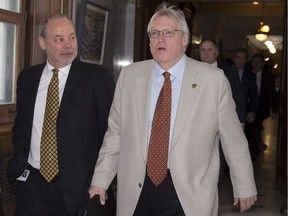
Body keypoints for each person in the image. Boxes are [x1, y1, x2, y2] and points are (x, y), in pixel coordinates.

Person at [89, 2, 257, 216]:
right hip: (137, 189)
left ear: (185, 40)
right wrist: (100, 181)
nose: (160, 39)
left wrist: (244, 185)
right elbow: (115, 134)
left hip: (189, 193)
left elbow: (233, 139)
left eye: (168, 32)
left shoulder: (212, 81)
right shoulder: (130, 76)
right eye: (154, 33)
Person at [7, 14, 115, 216]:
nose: (68, 45)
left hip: (78, 189)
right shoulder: (27, 78)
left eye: (72, 37)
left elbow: (111, 135)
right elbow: (21, 125)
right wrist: (20, 168)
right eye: (59, 39)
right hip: (32, 185)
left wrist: (100, 180)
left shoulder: (97, 78)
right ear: (42, 42)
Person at [199, 39, 246, 186]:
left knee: (217, 160)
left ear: (217, 53)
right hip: (198, 124)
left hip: (221, 123)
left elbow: (238, 96)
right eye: (203, 50)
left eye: (210, 50)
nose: (206, 54)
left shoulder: (228, 71)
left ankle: (214, 193)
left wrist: (241, 121)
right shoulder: (191, 70)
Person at [233, 48, 259, 160]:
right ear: (234, 58)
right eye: (238, 58)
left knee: (241, 140)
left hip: (243, 112)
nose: (241, 61)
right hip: (226, 110)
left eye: (244, 58)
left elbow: (254, 95)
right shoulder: (224, 72)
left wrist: (252, 111)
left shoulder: (250, 76)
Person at [249, 54, 278, 154]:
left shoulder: (268, 76)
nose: (256, 64)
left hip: (261, 108)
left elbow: (273, 94)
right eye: (254, 62)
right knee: (249, 131)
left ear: (262, 64)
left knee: (256, 130)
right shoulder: (247, 74)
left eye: (259, 62)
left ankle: (253, 152)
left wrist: (274, 110)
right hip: (248, 108)